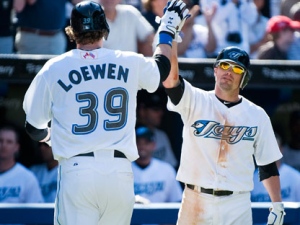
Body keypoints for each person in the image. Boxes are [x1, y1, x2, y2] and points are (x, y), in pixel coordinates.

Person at [22, 1, 189, 224]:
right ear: (105, 29)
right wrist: (167, 30)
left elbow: (34, 127)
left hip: (77, 169)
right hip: (119, 172)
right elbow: (161, 69)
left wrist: (51, 138)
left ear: (73, 31)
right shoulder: (128, 60)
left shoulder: (55, 67)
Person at [162, 39, 285, 223]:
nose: (229, 71)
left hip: (237, 203)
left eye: (236, 69)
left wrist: (277, 204)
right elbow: (171, 81)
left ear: (244, 77)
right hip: (196, 199)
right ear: (215, 70)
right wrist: (171, 39)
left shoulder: (257, 115)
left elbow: (267, 165)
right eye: (225, 65)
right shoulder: (195, 99)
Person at [251, 133, 300, 225]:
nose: (270, 153)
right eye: (266, 149)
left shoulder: (295, 177)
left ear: (281, 149)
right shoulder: (250, 179)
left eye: (274, 148)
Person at [132, 126, 182, 203]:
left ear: (153, 145)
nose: (142, 147)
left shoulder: (166, 170)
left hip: (159, 214)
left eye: (146, 143)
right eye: (138, 143)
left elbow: (176, 201)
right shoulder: (124, 169)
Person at [14, 0, 82, 55]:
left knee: (57, 70)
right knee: (28, 70)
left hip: (56, 38)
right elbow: (19, 7)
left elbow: (80, 2)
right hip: (32, 38)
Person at [0, 125, 43, 203]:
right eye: (0, 141)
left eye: (9, 142)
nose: (4, 145)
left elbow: (37, 212)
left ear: (17, 147)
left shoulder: (27, 178)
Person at [137, 89, 178, 168]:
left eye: (161, 109)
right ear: (142, 110)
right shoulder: (130, 135)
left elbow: (171, 166)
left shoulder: (161, 136)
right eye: (155, 109)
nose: (160, 113)